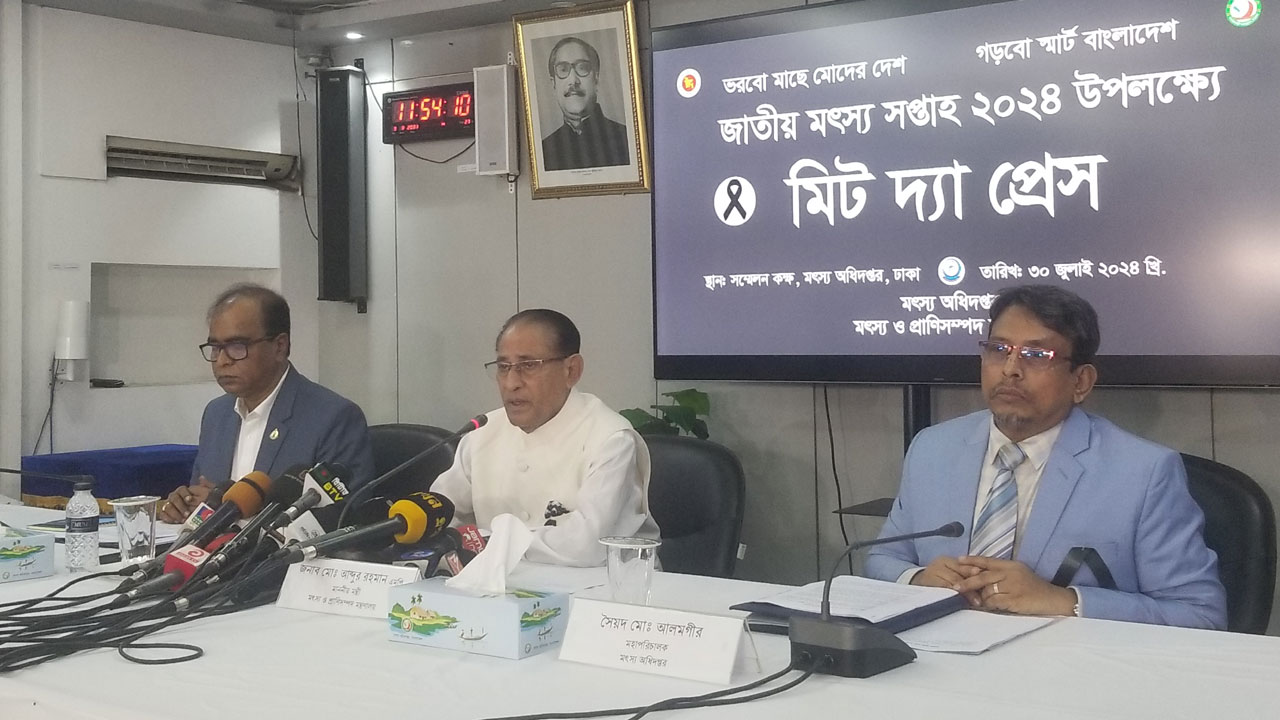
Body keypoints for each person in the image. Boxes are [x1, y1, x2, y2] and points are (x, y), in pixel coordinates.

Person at [865, 285, 1226, 629]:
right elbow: (883, 558)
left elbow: (1200, 614)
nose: (1010, 369)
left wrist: (1063, 601)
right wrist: (917, 578)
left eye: (1036, 355)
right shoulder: (932, 448)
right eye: (999, 350)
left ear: (1080, 382)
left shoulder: (1143, 473)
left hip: (1069, 665)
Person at [431, 309, 659, 566]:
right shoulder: (482, 432)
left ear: (571, 370)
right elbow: (440, 515)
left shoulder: (610, 439)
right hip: (499, 585)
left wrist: (485, 542)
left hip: (604, 585)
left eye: (528, 366)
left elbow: (585, 547)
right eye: (503, 367)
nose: (511, 383)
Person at [159, 284, 375, 523]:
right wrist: (185, 504)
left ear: (279, 346)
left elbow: (344, 518)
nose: (221, 361)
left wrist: (235, 509)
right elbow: (203, 499)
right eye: (215, 348)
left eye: (237, 347)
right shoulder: (216, 414)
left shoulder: (333, 418)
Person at [540, 36, 631, 172]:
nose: (573, 80)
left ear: (596, 79)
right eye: (563, 70)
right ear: (554, 84)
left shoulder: (626, 140)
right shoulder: (544, 151)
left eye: (582, 68)